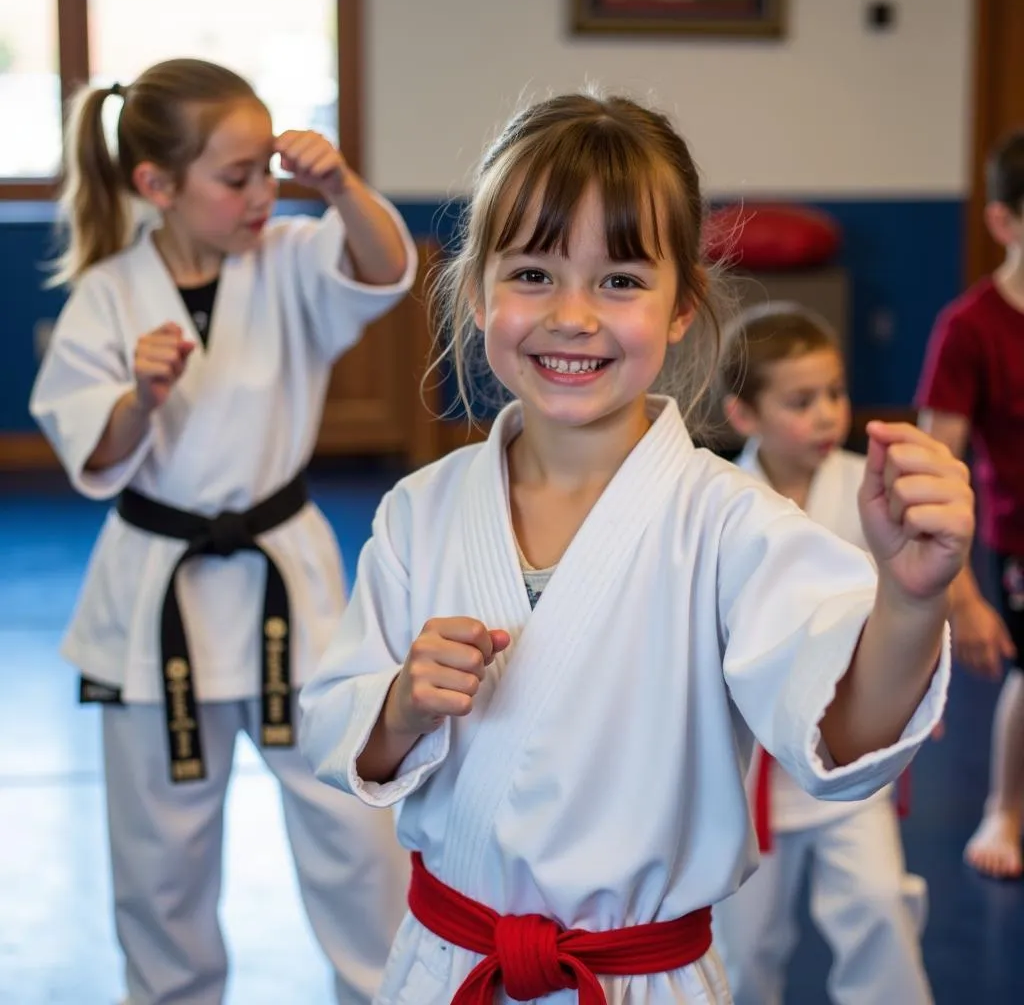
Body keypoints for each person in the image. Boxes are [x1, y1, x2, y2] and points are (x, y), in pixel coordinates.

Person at [299, 91, 969, 1005]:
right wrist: (400, 710)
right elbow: (334, 723)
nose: (572, 315)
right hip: (450, 964)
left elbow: (842, 728)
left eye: (619, 281)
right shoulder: (421, 510)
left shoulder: (733, 524)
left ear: (684, 306)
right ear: (476, 288)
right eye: (532, 273)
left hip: (640, 978)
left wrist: (912, 599)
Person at [30, 58, 414, 1005]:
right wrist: (140, 397)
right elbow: (92, 448)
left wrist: (340, 186)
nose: (261, 194)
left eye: (267, 171)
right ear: (157, 185)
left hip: (291, 582)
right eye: (235, 176)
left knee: (355, 830)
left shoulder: (289, 256)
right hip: (158, 591)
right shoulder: (109, 298)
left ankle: (386, 990)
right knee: (162, 857)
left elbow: (383, 270)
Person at [712, 303, 932, 1005]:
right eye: (800, 401)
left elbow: (911, 596)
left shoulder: (871, 491)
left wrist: (914, 679)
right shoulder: (723, 506)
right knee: (745, 946)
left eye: (834, 393)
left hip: (849, 755)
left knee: (878, 907)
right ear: (743, 416)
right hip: (751, 777)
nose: (826, 414)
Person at [916, 130, 1024, 881]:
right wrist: (961, 594)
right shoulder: (971, 327)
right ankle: (1006, 808)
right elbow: (936, 465)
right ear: (1003, 221)